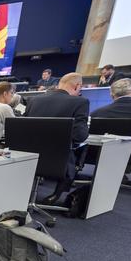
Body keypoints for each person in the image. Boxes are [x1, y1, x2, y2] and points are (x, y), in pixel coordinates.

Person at [25, 72, 90, 205]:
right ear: (78, 86)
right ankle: (55, 195)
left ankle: (26, 193)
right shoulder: (80, 102)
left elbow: (23, 128)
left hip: (28, 158)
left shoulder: (34, 100)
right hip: (58, 161)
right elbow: (80, 136)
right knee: (80, 151)